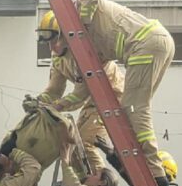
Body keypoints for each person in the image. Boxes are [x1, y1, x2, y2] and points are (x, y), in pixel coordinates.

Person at [76, 0, 175, 181]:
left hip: (142, 44)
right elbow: (86, 84)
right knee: (135, 109)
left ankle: (154, 169)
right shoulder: (94, 45)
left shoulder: (80, 9)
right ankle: (141, 161)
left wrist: (82, 23)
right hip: (159, 42)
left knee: (134, 108)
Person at [31, 10, 124, 177]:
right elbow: (54, 90)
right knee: (75, 144)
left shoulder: (82, 53)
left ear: (66, 36)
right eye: (48, 43)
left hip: (111, 97)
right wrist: (39, 102)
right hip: (94, 99)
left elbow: (79, 95)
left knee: (87, 141)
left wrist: (57, 106)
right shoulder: (58, 58)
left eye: (54, 41)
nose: (52, 47)